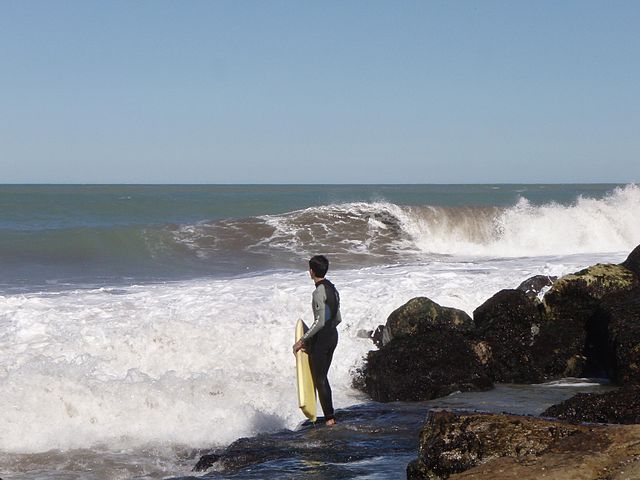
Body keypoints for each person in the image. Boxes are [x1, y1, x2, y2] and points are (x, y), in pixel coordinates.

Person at [292, 255, 342, 426]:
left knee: (320, 379)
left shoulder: (318, 292)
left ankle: (329, 419)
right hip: (333, 335)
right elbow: (337, 318)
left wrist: (303, 340)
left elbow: (319, 322)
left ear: (311, 272)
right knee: (322, 377)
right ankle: (330, 416)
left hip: (324, 339)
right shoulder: (333, 289)